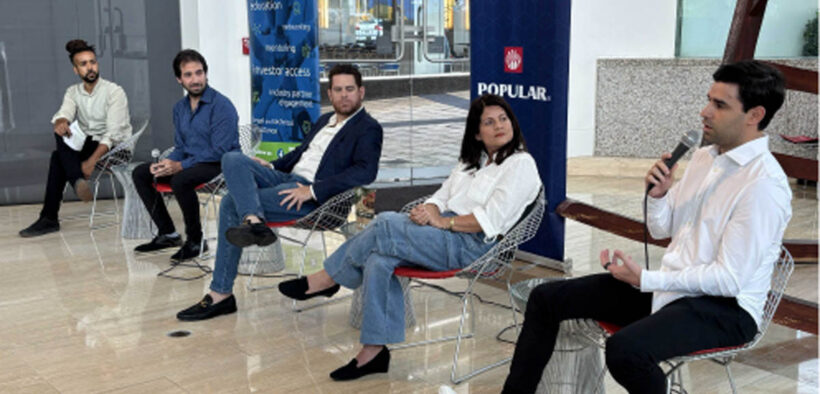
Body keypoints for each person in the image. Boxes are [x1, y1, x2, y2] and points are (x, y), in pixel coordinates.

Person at [502, 60, 792, 394]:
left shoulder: (763, 184)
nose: (705, 112)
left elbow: (728, 280)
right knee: (546, 298)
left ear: (755, 115)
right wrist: (660, 195)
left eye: (720, 105)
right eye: (709, 100)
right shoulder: (704, 158)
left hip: (726, 309)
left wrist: (646, 279)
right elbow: (661, 228)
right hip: (674, 288)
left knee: (626, 351)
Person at [278, 94, 542, 381]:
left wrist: (443, 221)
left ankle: (327, 279)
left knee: (384, 223)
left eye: (503, 119)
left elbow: (488, 220)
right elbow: (440, 197)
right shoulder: (471, 162)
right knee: (379, 259)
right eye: (489, 122)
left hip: (473, 245)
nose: (499, 126)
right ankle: (373, 351)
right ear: (477, 133)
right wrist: (427, 212)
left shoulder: (520, 164)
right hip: (442, 233)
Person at [175, 64, 383, 321]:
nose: (344, 95)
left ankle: (221, 294)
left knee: (230, 203)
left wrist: (313, 191)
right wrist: (270, 166)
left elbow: (365, 172)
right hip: (287, 178)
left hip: (315, 198)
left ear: (361, 92)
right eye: (338, 90)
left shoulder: (368, 128)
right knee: (233, 158)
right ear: (329, 94)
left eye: (349, 89)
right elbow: (299, 154)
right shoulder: (323, 120)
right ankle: (254, 221)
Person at [131, 49, 239, 262]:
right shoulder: (179, 108)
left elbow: (219, 150)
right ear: (179, 79)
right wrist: (167, 162)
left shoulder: (221, 106)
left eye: (199, 73)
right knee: (142, 173)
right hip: (192, 163)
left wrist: (180, 166)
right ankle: (168, 234)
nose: (195, 79)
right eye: (188, 75)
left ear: (206, 74)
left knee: (181, 180)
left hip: (221, 163)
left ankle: (196, 242)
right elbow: (181, 145)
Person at [19, 39, 132, 237]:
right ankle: (75, 182)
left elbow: (112, 135)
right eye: (84, 64)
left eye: (93, 62)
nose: (90, 68)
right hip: (90, 142)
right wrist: (61, 121)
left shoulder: (114, 92)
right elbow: (64, 113)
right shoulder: (73, 92)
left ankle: (49, 218)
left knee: (57, 158)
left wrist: (91, 162)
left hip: (117, 148)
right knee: (60, 131)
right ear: (75, 70)